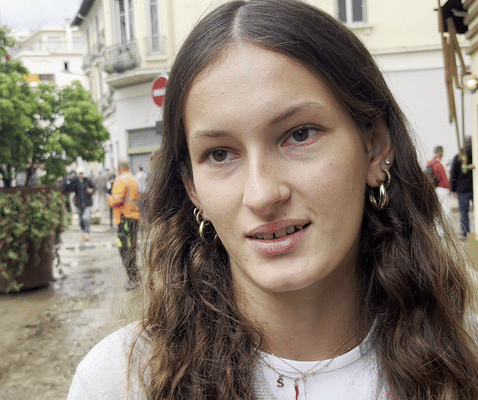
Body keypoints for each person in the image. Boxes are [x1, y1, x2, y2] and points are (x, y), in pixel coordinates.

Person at [67, 1, 478, 399]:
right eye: (219, 154)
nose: (262, 195)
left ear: (374, 147)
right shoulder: (120, 382)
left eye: (300, 134)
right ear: (192, 186)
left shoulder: (467, 357)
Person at [107, 159, 140, 288]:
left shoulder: (120, 180)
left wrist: (109, 198)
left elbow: (117, 200)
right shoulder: (134, 179)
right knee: (132, 248)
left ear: (120, 168)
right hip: (134, 218)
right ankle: (135, 277)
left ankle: (133, 279)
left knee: (125, 249)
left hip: (124, 218)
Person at [63, 167, 95, 241]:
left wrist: (91, 190)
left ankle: (87, 233)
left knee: (86, 218)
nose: (81, 175)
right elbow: (68, 189)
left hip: (88, 203)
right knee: (80, 220)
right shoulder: (75, 181)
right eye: (79, 174)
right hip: (79, 204)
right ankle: (83, 231)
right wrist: (68, 180)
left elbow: (94, 188)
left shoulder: (87, 180)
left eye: (82, 173)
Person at [451, 138, 474, 239]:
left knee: (463, 212)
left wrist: (453, 189)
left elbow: (453, 174)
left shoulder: (458, 157)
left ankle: (465, 233)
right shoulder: (475, 156)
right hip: (474, 188)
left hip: (462, 189)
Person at [426, 145, 452, 220]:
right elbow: (444, 177)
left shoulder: (430, 162)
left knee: (436, 212)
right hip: (443, 189)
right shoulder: (440, 163)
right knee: (446, 211)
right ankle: (443, 231)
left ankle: (438, 230)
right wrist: (449, 187)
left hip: (435, 189)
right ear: (440, 152)